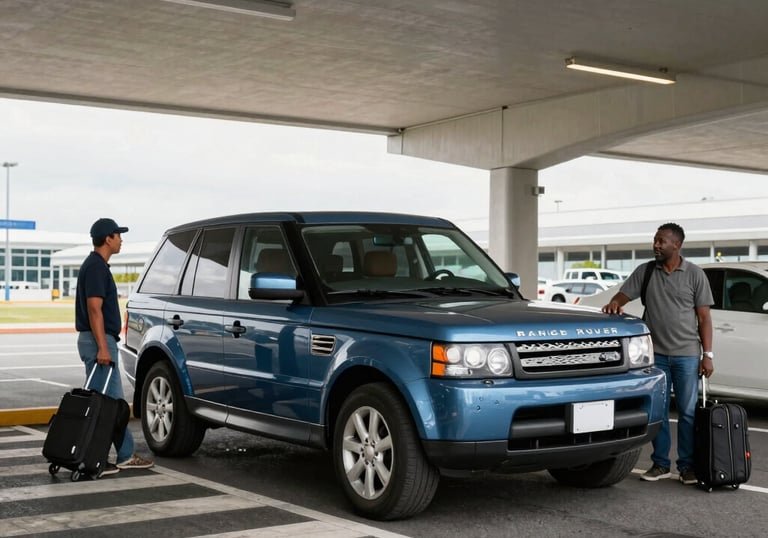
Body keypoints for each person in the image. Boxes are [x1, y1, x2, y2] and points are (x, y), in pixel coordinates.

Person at [602, 222, 713, 485]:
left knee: (687, 413)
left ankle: (687, 466)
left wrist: (707, 354)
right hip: (655, 357)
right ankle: (660, 464)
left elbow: (704, 318)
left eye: (662, 241)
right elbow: (621, 296)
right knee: (659, 412)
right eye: (655, 240)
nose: (656, 245)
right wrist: (615, 304)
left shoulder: (695, 274)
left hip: (686, 355)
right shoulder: (646, 271)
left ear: (677, 244)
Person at [75, 217, 154, 474]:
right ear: (107, 238)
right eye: (118, 235)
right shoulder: (96, 267)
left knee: (112, 403)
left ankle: (124, 454)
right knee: (102, 405)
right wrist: (103, 347)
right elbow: (94, 309)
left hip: (97, 340)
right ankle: (91, 458)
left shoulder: (96, 266)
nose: (121, 239)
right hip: (98, 341)